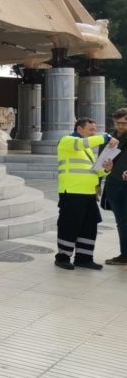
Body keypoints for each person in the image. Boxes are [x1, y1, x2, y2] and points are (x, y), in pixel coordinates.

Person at [54, 117, 116, 270]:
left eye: (95, 130)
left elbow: (96, 171)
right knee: (69, 225)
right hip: (72, 192)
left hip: (88, 193)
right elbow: (81, 143)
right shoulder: (67, 140)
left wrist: (107, 169)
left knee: (89, 225)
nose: (93, 133)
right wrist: (105, 137)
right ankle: (62, 257)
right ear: (79, 129)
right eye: (91, 129)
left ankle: (84, 258)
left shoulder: (87, 150)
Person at [103, 108, 127, 265]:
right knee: (122, 221)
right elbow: (102, 165)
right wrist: (107, 168)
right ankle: (124, 254)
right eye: (118, 123)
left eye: (124, 123)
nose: (121, 126)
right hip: (114, 185)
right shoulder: (108, 140)